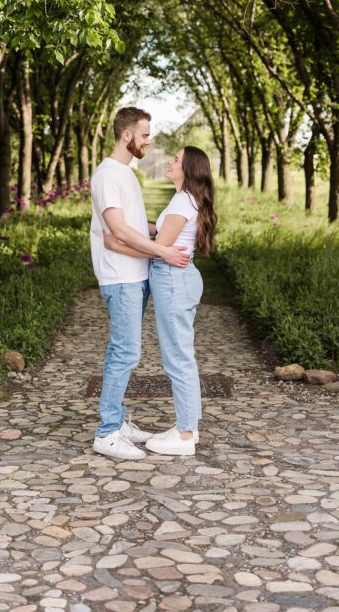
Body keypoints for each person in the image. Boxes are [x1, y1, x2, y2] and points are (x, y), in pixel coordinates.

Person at [90, 107, 189, 461]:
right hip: (121, 278)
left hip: (136, 275)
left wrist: (163, 231)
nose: (151, 141)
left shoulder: (126, 173)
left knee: (128, 351)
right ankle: (107, 433)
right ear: (127, 135)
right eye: (146, 134)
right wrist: (162, 250)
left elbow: (131, 225)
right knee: (125, 352)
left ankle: (118, 422)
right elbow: (116, 231)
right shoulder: (107, 175)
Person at [104, 145, 217, 456]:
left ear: (189, 169)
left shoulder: (183, 200)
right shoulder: (184, 200)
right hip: (177, 279)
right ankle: (188, 428)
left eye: (176, 159)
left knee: (178, 358)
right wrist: (134, 228)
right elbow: (162, 231)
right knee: (181, 355)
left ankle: (184, 434)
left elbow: (160, 247)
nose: (170, 161)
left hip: (172, 280)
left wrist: (118, 245)